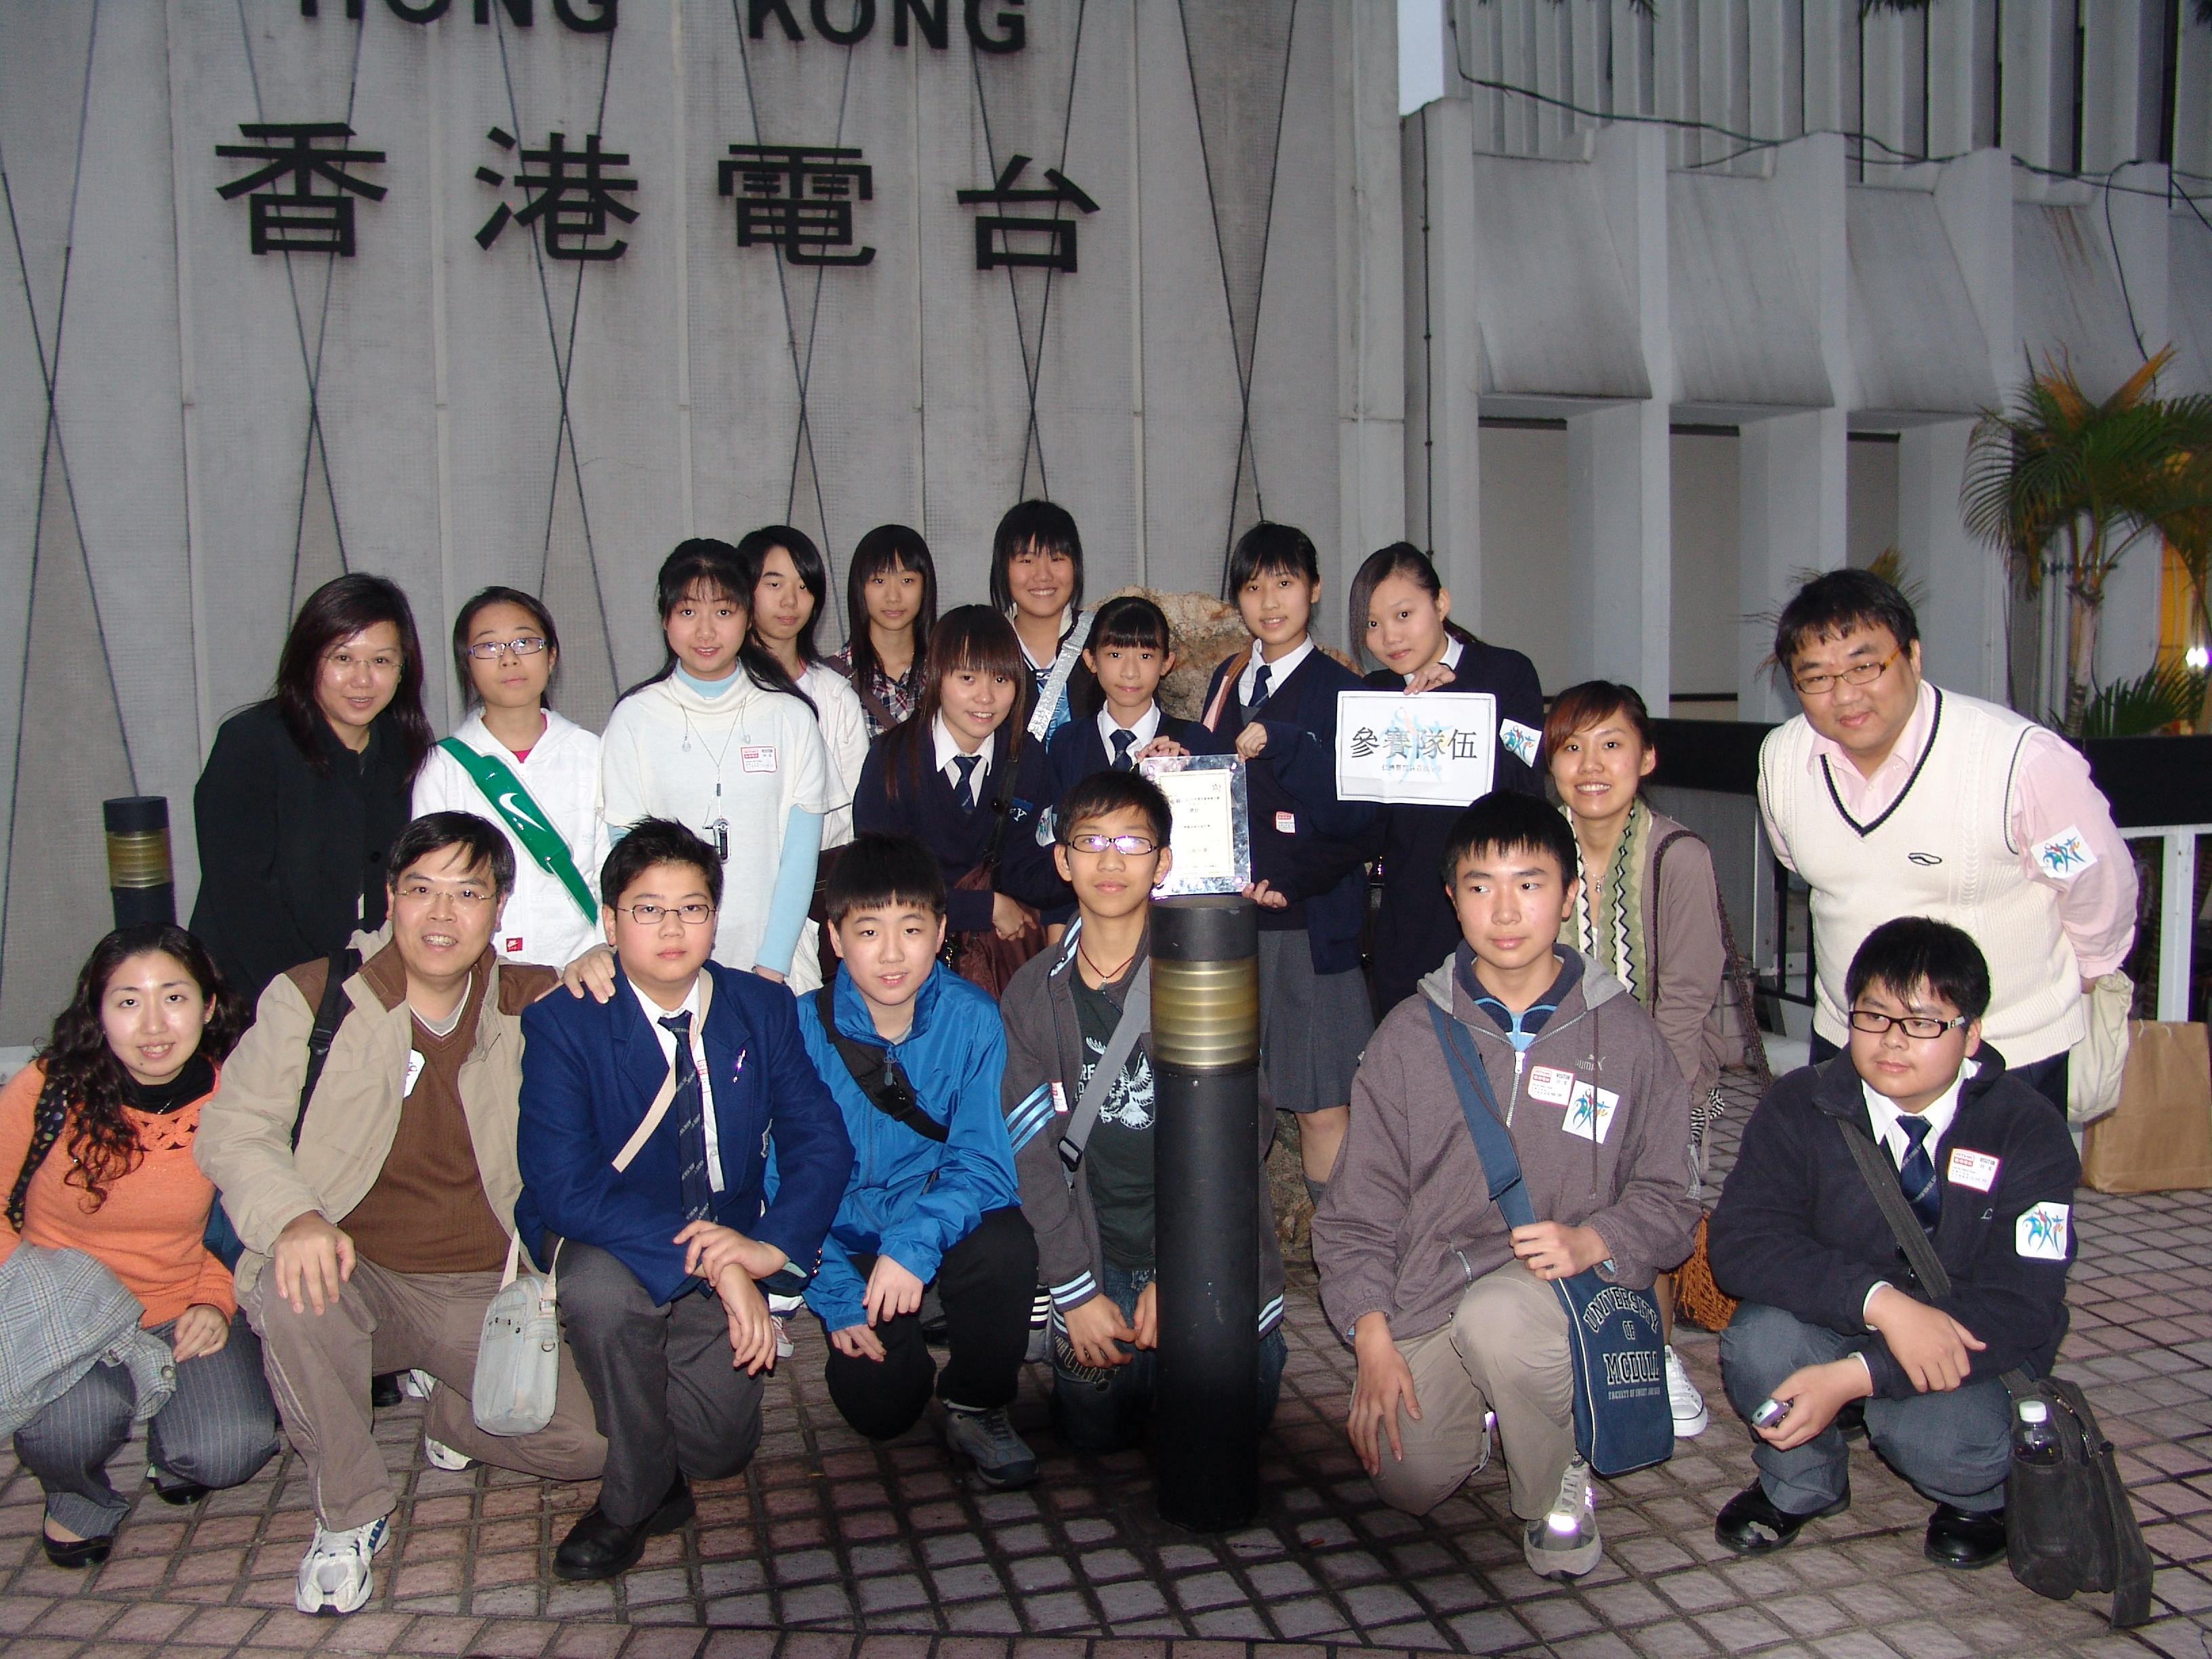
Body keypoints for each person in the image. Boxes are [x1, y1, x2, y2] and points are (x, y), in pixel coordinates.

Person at [197, 813, 606, 1616]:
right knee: (290, 1284)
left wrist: (606, 965)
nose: (442, 914)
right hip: (355, 1274)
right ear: (389, 898)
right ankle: (350, 1513)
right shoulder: (315, 997)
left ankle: (452, 1409)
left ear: (498, 909)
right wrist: (294, 1217)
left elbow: (645, 1023)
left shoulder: (533, 1001)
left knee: (590, 1443)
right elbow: (235, 1131)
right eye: (421, 890)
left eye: (468, 893)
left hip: (485, 1289)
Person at [1313, 791, 1698, 1581]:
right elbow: (1357, 1212)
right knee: (1406, 1477)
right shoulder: (1410, 1035)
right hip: (1436, 1288)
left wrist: (1597, 1238)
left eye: (1530, 883)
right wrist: (1371, 1337)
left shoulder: (1626, 1035)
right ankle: (1511, 1408)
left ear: (1569, 895)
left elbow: (1671, 1194)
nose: (1507, 910)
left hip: (1569, 1290)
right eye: (1481, 886)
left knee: (1500, 1324)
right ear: (1452, 899)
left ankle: (1557, 1482)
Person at [516, 819, 851, 1581]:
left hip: (726, 1240)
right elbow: (565, 1187)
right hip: (609, 1236)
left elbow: (820, 1140)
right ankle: (630, 1501)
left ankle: (642, 1388)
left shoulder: (759, 1008)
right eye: (648, 909)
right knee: (602, 1294)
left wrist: (768, 1248)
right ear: (611, 923)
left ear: (714, 917)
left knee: (718, 1449)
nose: (672, 928)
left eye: (692, 908)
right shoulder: (563, 1022)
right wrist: (718, 1263)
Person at [1706, 917, 2078, 1570]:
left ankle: (1978, 1498)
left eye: (1924, 1022)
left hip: (1961, 1342)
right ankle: (1802, 1481)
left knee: (1940, 1435)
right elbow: (1742, 1243)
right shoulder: (1801, 1103)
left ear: (1971, 1033)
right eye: (1874, 1016)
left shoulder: (2027, 1129)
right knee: (1760, 1342)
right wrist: (1879, 1303)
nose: (1893, 1040)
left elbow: (2024, 1303)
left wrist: (1861, 1375)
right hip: (1839, 1316)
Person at [1757, 569, 2136, 1112]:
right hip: (1850, 1044)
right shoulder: (1782, 760)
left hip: (1999, 1052)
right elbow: (1799, 859)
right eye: (1815, 677)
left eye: (1864, 667)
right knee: (1847, 1171)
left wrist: (2091, 973)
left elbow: (2092, 879)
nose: (1844, 694)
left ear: (1912, 656)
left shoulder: (2020, 763)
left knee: (1996, 1173)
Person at [1002, 771, 1288, 1450]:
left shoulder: (1203, 969)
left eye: (1132, 842)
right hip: (1097, 1257)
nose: (1111, 860)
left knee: (1222, 1446)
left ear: (1163, 862)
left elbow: (1246, 1131)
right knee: (1097, 1443)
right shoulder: (1032, 995)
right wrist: (1075, 1291)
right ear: (1062, 860)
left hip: (1202, 1250)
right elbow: (1031, 1158)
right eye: (1090, 841)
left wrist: (1181, 1265)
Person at [2, 925, 278, 1568]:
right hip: (65, 1307)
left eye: (174, 998)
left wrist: (214, 1299)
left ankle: (174, 1450)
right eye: (128, 1001)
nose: (153, 1025)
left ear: (208, 1006)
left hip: (178, 1302)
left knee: (230, 1449)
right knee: (69, 1427)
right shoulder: (50, 1088)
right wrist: (27, 1286)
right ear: (98, 1013)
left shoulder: (237, 1100)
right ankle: (77, 1500)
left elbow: (243, 1224)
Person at [790, 832, 1040, 1487]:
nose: (893, 954)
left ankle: (978, 1401)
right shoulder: (800, 1029)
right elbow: (782, 1180)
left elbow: (984, 1161)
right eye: (869, 931)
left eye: (912, 928)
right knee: (881, 1410)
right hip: (846, 1239)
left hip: (934, 1218)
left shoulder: (974, 1018)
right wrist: (837, 1296)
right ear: (836, 938)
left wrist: (914, 1244)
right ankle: (913, 1322)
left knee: (1006, 1243)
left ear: (940, 933)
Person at [1544, 680, 1729, 1441]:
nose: (1591, 765)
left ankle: (1652, 1358)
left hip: (1665, 1085)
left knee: (1643, 1228)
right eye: (1572, 747)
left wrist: (1641, 1111)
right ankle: (1568, 1360)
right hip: (1554, 1081)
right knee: (1558, 1221)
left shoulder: (1678, 857)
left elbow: (1686, 1002)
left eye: (1611, 745)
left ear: (1646, 757)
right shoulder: (1537, 850)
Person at [1191, 523, 1377, 1204]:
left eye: (1285, 582)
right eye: (1252, 586)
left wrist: (1293, 880)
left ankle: (1344, 1252)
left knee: (1322, 1105)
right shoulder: (1226, 679)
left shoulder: (1343, 690)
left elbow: (1360, 823)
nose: (1269, 601)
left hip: (1308, 927)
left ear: (1315, 589)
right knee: (1227, 1106)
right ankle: (1236, 1256)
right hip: (1229, 929)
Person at [598, 539, 835, 985]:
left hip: (774, 963)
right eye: (688, 612)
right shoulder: (635, 718)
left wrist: (770, 967)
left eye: (723, 612)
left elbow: (800, 858)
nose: (706, 632)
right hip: (664, 961)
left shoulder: (790, 717)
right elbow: (626, 858)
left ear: (748, 616)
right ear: (665, 618)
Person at [192, 573, 435, 1001]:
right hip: (257, 997)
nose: (362, 680)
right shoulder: (251, 743)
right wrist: (316, 996)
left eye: (381, 661)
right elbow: (241, 897)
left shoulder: (405, 750)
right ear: (309, 660)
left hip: (365, 993)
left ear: (403, 669)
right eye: (343, 658)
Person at [1351, 543, 1545, 1018]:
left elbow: (1526, 785)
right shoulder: (1373, 696)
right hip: (1408, 913)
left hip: (1494, 910)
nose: (1389, 637)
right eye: (1373, 624)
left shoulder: (1507, 673)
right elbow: (1363, 825)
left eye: (1404, 615)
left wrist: (1455, 705)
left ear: (1440, 603)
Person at [853, 606, 1069, 960]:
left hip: (993, 959)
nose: (986, 697)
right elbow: (879, 881)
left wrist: (1082, 866)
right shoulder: (891, 760)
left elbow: (1024, 868)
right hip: (908, 954)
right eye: (968, 678)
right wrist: (985, 907)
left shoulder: (1025, 758)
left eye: (1001, 680)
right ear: (936, 676)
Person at [413, 587, 609, 972]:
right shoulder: (442, 767)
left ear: (551, 656)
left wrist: (600, 948)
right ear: (467, 665)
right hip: (478, 974)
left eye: (525, 642)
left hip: (583, 971)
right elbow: (431, 885)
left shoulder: (594, 755)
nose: (509, 659)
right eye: (488, 647)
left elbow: (615, 871)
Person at [1043, 593, 1195, 800]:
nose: (1130, 672)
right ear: (1091, 660)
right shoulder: (1067, 742)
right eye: (1115, 655)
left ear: (1166, 663)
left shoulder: (1194, 742)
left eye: (1145, 656)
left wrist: (1183, 775)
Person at [991, 499, 1096, 745]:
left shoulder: (1106, 642)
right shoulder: (983, 647)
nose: (1043, 575)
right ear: (1004, 567)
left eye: (1057, 559)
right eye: (1026, 561)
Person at [828, 523, 937, 740]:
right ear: (860, 588)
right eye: (879, 581)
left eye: (907, 581)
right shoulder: (832, 679)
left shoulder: (947, 670)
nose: (893, 597)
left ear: (925, 587)